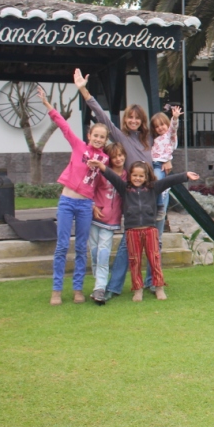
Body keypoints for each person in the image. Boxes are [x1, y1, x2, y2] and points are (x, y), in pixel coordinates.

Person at [72, 68, 160, 298]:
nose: (133, 121)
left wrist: (167, 161)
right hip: (131, 198)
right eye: (130, 117)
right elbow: (101, 116)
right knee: (127, 246)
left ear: (142, 120)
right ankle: (112, 287)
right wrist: (83, 90)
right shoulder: (120, 136)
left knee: (155, 243)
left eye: (137, 118)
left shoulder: (149, 139)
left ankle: (152, 283)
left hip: (153, 196)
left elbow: (167, 143)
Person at [37, 87, 108, 306]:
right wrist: (47, 105)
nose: (98, 139)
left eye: (102, 137)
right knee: (61, 246)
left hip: (85, 205)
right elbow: (64, 126)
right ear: (89, 136)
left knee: (81, 247)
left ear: (105, 140)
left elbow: (102, 184)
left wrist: (100, 168)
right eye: (95, 135)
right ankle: (56, 290)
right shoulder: (79, 147)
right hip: (67, 202)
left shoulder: (104, 159)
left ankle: (78, 289)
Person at [90, 159, 198, 302]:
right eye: (134, 175)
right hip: (132, 232)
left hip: (150, 230)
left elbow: (169, 181)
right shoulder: (125, 189)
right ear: (130, 176)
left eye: (141, 176)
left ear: (146, 177)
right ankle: (138, 290)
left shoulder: (153, 188)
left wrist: (185, 175)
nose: (137, 178)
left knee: (154, 259)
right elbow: (112, 176)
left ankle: (159, 287)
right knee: (134, 261)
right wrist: (101, 166)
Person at [89, 143, 126, 305]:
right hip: (95, 218)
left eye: (120, 155)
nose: (118, 159)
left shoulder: (127, 175)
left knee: (103, 254)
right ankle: (98, 282)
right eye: (114, 156)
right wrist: (93, 206)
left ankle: (100, 288)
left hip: (111, 221)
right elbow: (89, 189)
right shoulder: (101, 173)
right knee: (94, 253)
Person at [150, 105, 182, 227]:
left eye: (162, 124)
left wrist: (175, 118)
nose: (160, 128)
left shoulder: (169, 136)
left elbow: (173, 128)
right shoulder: (156, 139)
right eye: (157, 126)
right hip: (152, 164)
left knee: (157, 181)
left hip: (160, 165)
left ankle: (159, 206)